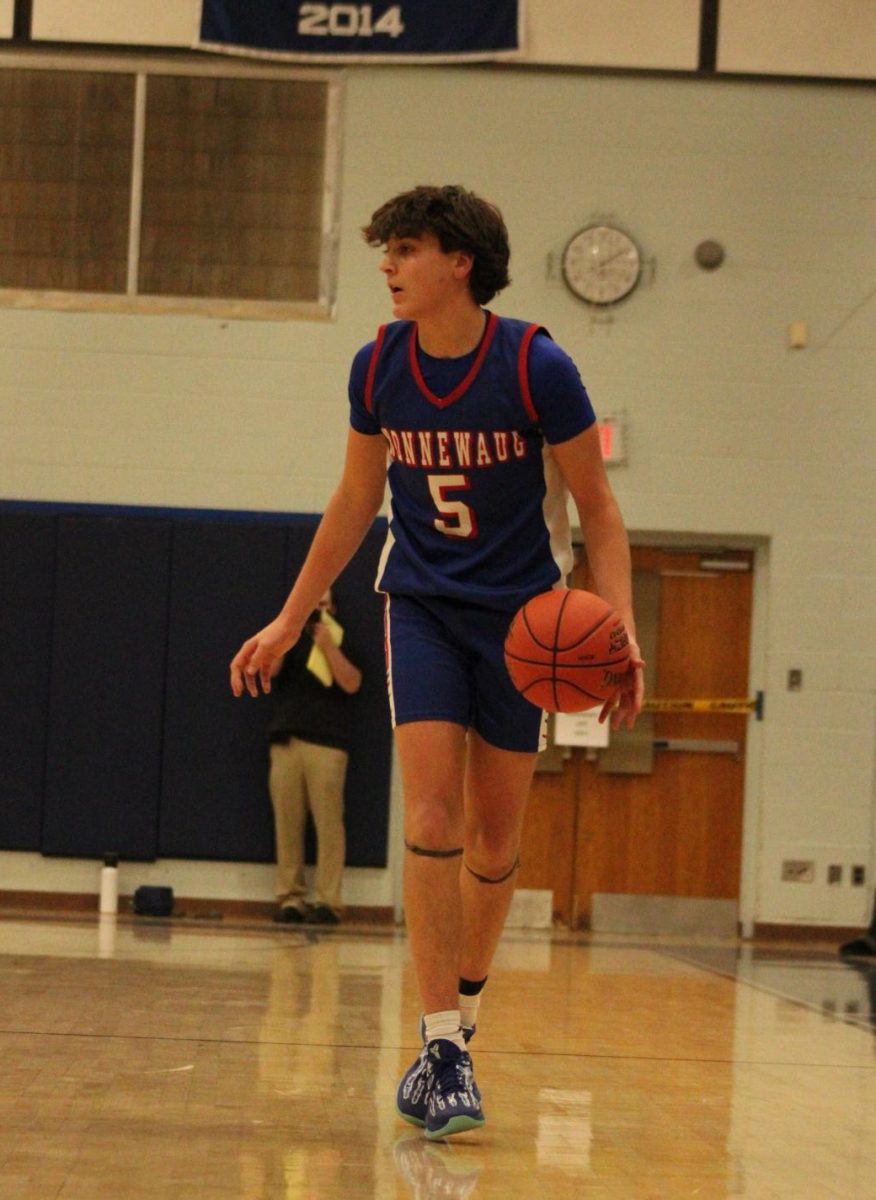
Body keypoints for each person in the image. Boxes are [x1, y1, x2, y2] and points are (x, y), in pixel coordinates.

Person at [230, 184, 644, 1140]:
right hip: (418, 602)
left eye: (404, 249)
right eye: (386, 250)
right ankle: (439, 1043)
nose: (387, 265)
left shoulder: (539, 366)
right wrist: (293, 617)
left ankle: (466, 1017)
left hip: (522, 619)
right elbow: (352, 501)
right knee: (429, 812)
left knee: (495, 841)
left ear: (459, 261)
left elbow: (601, 511)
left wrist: (620, 627)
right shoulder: (378, 366)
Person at [267, 587, 362, 926]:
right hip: (287, 740)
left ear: (333, 608)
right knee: (287, 824)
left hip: (328, 743)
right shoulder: (286, 637)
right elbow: (272, 670)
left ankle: (327, 900)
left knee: (329, 825)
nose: (317, 612)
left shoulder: (343, 638)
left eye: (323, 605)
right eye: (312, 605)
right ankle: (290, 898)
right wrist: (290, 630)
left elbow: (352, 683)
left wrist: (327, 646)